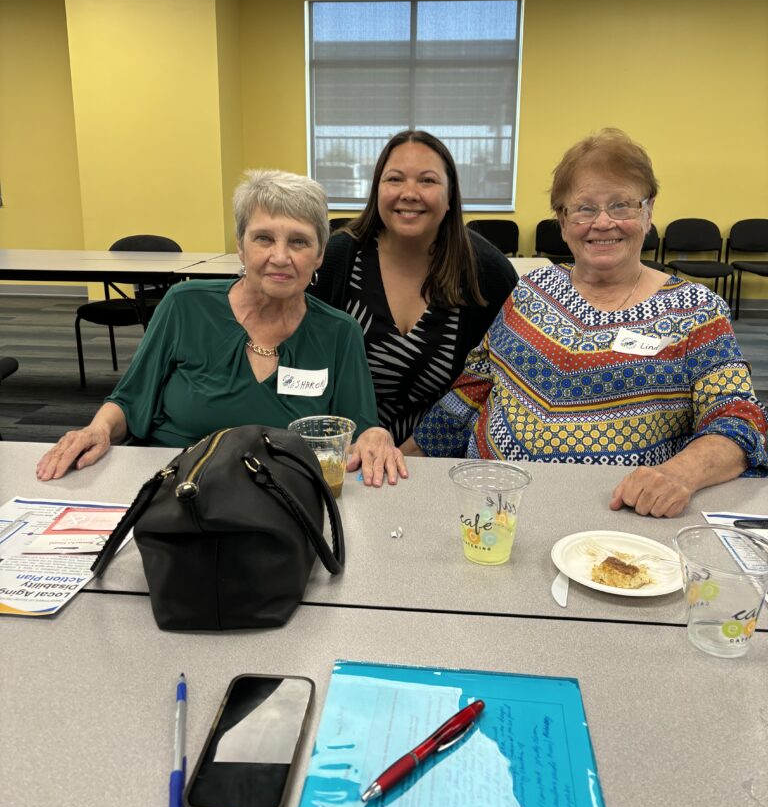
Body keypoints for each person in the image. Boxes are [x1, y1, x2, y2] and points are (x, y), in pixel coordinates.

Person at [405, 128, 768, 517]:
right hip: (494, 507)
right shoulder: (531, 290)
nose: (603, 222)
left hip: (619, 521)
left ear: (647, 213)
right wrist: (404, 457)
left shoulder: (696, 311)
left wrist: (679, 474)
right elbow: (474, 387)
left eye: (621, 205)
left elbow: (739, 420)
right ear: (563, 222)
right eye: (584, 208)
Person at [37, 169, 407, 486]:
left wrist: (376, 436)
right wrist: (97, 429)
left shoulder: (339, 331)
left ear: (320, 254)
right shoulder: (185, 306)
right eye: (263, 238)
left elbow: (359, 430)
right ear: (241, 247)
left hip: (282, 492)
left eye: (299, 241)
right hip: (172, 483)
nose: (280, 257)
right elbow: (129, 401)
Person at [312, 130, 518, 445]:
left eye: (427, 181)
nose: (409, 192)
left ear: (450, 196)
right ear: (377, 190)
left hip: (440, 459)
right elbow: (302, 358)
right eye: (394, 179)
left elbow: (494, 381)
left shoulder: (485, 270)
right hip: (345, 453)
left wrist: (418, 451)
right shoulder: (337, 259)